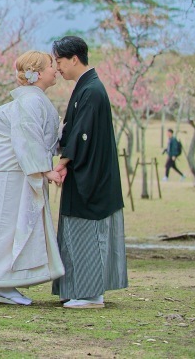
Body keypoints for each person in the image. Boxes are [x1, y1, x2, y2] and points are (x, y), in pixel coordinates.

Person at [0, 51, 65, 306]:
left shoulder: (33, 100)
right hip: (15, 175)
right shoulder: (29, 102)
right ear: (37, 73)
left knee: (16, 225)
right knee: (9, 226)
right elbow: (26, 138)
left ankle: (8, 283)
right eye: (51, 66)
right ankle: (4, 285)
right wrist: (44, 170)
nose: (55, 70)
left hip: (22, 172)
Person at [52, 36, 128, 309]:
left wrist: (63, 161)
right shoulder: (86, 87)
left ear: (74, 58)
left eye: (59, 61)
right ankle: (76, 289)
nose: (57, 67)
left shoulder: (92, 90)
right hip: (84, 169)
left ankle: (91, 294)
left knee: (89, 233)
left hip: (92, 174)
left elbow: (82, 134)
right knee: (75, 233)